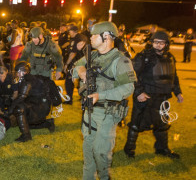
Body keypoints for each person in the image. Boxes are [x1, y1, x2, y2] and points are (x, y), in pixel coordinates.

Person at [72, 21, 136, 180]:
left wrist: (100, 96)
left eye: (94, 35)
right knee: (88, 153)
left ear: (106, 36)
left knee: (101, 153)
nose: (91, 38)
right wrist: (80, 70)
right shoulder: (91, 55)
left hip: (107, 112)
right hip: (89, 112)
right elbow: (76, 66)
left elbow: (128, 88)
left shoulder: (121, 60)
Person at [124, 31, 184, 159]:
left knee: (162, 125)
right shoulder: (143, 57)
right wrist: (139, 92)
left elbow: (174, 77)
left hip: (162, 98)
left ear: (166, 44)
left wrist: (178, 92)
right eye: (156, 42)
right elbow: (131, 75)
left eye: (161, 43)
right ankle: (129, 150)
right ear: (152, 43)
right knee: (136, 124)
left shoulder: (171, 58)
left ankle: (162, 149)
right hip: (145, 96)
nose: (158, 45)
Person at [7, 61, 55, 142]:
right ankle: (47, 123)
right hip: (40, 105)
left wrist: (10, 110)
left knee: (19, 108)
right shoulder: (30, 78)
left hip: (40, 107)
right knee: (25, 124)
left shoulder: (27, 79)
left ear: (24, 72)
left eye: (18, 72)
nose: (17, 74)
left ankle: (26, 136)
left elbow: (21, 97)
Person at [62, 25, 87, 105]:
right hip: (84, 62)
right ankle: (84, 99)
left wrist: (66, 64)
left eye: (70, 31)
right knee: (83, 81)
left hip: (77, 62)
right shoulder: (81, 37)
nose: (69, 32)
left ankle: (69, 99)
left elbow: (73, 53)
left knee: (69, 81)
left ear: (74, 31)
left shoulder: (77, 38)